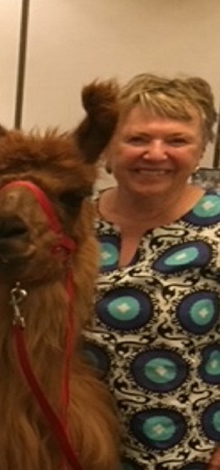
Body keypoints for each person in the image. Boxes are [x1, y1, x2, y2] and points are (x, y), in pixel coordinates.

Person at [83, 73, 220, 470]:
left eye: (177, 140)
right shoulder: (73, 221)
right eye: (137, 139)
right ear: (108, 148)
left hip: (186, 451)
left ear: (200, 152)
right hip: (75, 444)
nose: (155, 154)